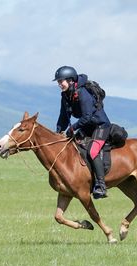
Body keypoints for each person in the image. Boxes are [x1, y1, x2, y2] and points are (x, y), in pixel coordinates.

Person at [53, 66, 111, 199]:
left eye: (61, 81)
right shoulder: (66, 95)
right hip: (87, 126)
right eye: (58, 82)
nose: (59, 84)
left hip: (100, 126)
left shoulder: (83, 93)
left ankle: (101, 185)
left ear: (71, 80)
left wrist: (72, 128)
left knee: (92, 151)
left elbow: (87, 117)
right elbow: (63, 116)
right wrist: (57, 132)